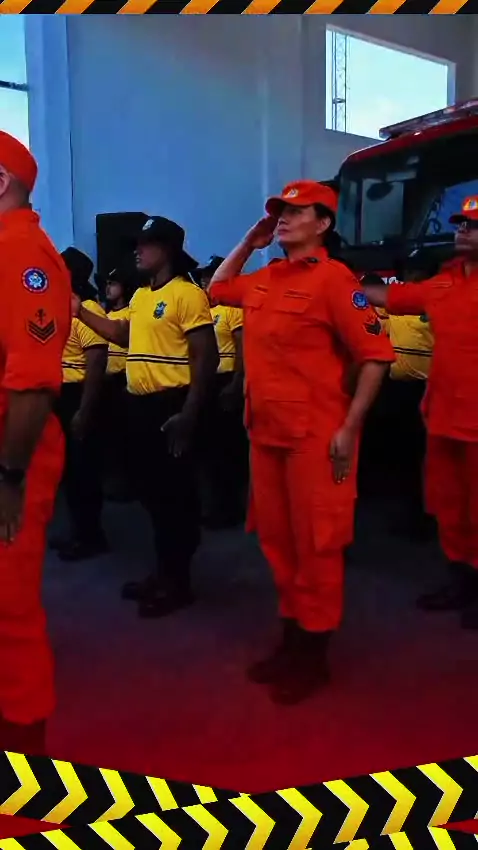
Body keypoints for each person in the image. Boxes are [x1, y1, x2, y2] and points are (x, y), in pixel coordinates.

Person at [209, 180, 394, 704]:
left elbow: (376, 357)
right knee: (279, 542)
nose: (284, 219)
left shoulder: (335, 281)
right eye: (279, 212)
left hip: (316, 436)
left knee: (317, 545)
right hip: (266, 433)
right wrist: (249, 243)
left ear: (324, 224)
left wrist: (350, 427)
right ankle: (292, 640)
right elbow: (217, 290)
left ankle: (314, 656)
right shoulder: (266, 278)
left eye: (296, 211)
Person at [71, 216, 219, 618]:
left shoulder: (187, 294)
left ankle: (178, 581)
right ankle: (163, 572)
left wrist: (189, 414)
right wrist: (80, 313)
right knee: (152, 494)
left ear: (166, 249)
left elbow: (206, 356)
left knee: (175, 498)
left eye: (145, 244)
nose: (137, 251)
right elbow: (123, 336)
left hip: (171, 405)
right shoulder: (140, 296)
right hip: (139, 405)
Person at [362, 196, 478, 630]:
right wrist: (333, 279)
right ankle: (461, 583)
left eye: (473, 225)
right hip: (444, 419)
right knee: (449, 506)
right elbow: (387, 295)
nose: (462, 230)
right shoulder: (442, 284)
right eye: (461, 223)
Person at [0, 132, 71, 754]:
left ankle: (23, 760)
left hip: (11, 455)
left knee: (9, 611)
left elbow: (32, 383)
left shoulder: (24, 256)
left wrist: (9, 477)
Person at [360, 271, 434, 540]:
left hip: (426, 390)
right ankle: (404, 508)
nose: (409, 281)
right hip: (394, 390)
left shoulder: (433, 307)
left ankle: (424, 515)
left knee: (423, 455)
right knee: (401, 452)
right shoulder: (392, 309)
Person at [53, 248, 109, 562]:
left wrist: (84, 410)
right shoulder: (63, 308)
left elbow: (96, 362)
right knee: (69, 471)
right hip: (60, 395)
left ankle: (91, 536)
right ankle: (77, 531)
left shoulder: (88, 309)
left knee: (83, 470)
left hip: (79, 395)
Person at [198, 256, 248, 529]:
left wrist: (236, 382)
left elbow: (242, 347)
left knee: (227, 448)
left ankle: (230, 508)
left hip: (227, 379)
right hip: (209, 381)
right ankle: (215, 504)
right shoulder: (205, 310)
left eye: (210, 276)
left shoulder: (231, 310)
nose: (205, 281)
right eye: (204, 277)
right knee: (210, 448)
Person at [101, 263, 137, 501]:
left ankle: (128, 484)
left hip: (123, 379)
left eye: (113, 284)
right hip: (106, 381)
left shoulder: (130, 314)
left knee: (126, 434)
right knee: (110, 434)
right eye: (107, 284)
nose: (108, 288)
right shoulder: (105, 315)